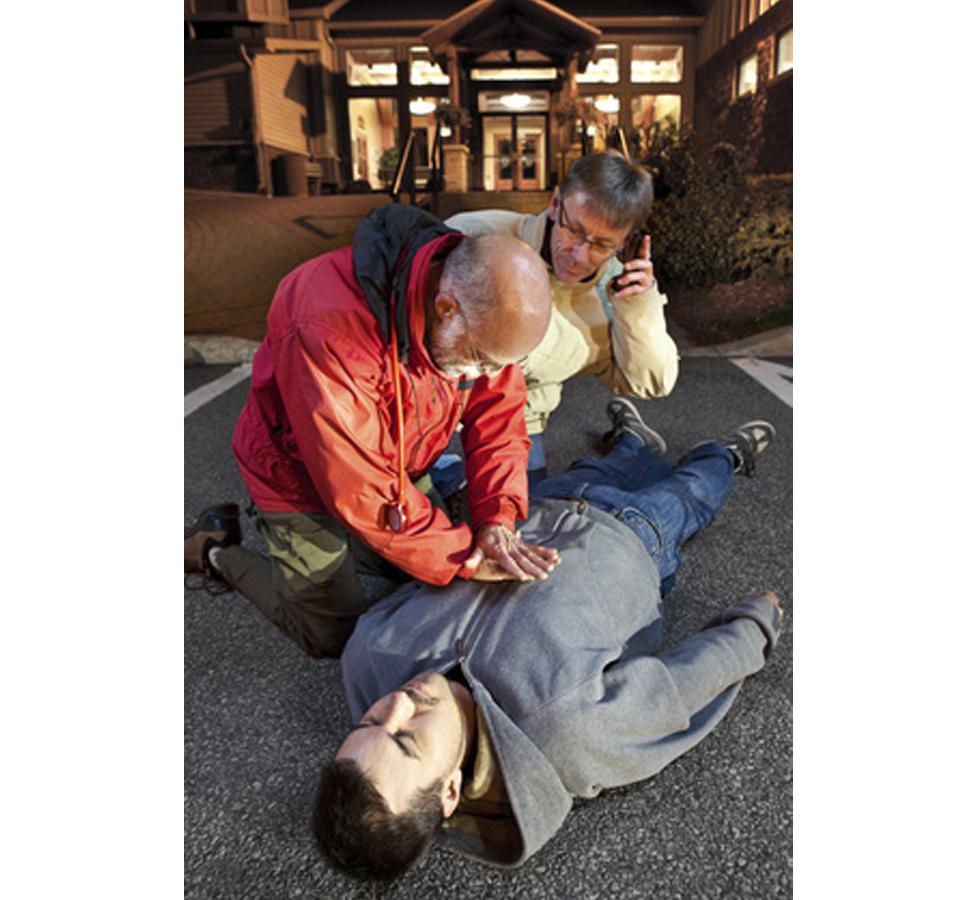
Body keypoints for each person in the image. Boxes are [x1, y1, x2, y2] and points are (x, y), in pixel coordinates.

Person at [311, 401, 782, 881]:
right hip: (638, 537)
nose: (396, 705)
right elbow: (678, 690)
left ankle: (635, 441)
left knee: (609, 463)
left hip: (530, 514)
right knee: (693, 489)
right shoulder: (565, 732)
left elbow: (413, 577)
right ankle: (725, 453)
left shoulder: (370, 655)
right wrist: (754, 627)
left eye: (369, 720)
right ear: (450, 792)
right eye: (407, 740)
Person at [184, 204, 559, 659]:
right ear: (445, 308)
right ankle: (212, 553)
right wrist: (462, 556)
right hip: (294, 471)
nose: (485, 375)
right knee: (329, 634)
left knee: (427, 565)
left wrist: (497, 518)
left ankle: (338, 545)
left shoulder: (485, 316)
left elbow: (499, 421)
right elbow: (359, 487)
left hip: (392, 460)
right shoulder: (328, 320)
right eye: (482, 361)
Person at [445, 150, 679, 485]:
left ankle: (632, 437)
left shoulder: (613, 293)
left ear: (625, 242)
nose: (579, 254)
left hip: (517, 421)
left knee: (530, 515)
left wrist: (640, 305)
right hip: (437, 412)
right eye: (574, 230)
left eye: (602, 244)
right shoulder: (477, 235)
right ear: (556, 203)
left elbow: (649, 381)